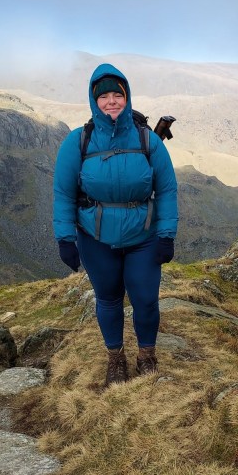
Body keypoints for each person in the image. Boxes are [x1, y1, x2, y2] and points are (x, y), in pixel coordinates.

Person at [53, 63, 178, 385]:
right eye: (104, 96)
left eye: (117, 95)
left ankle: (147, 355)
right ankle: (115, 358)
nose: (111, 101)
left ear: (127, 97)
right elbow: (63, 193)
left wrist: (166, 234)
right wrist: (65, 238)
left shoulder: (148, 140)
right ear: (94, 101)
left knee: (146, 299)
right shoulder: (78, 141)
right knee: (108, 299)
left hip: (144, 236)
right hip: (96, 238)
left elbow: (166, 190)